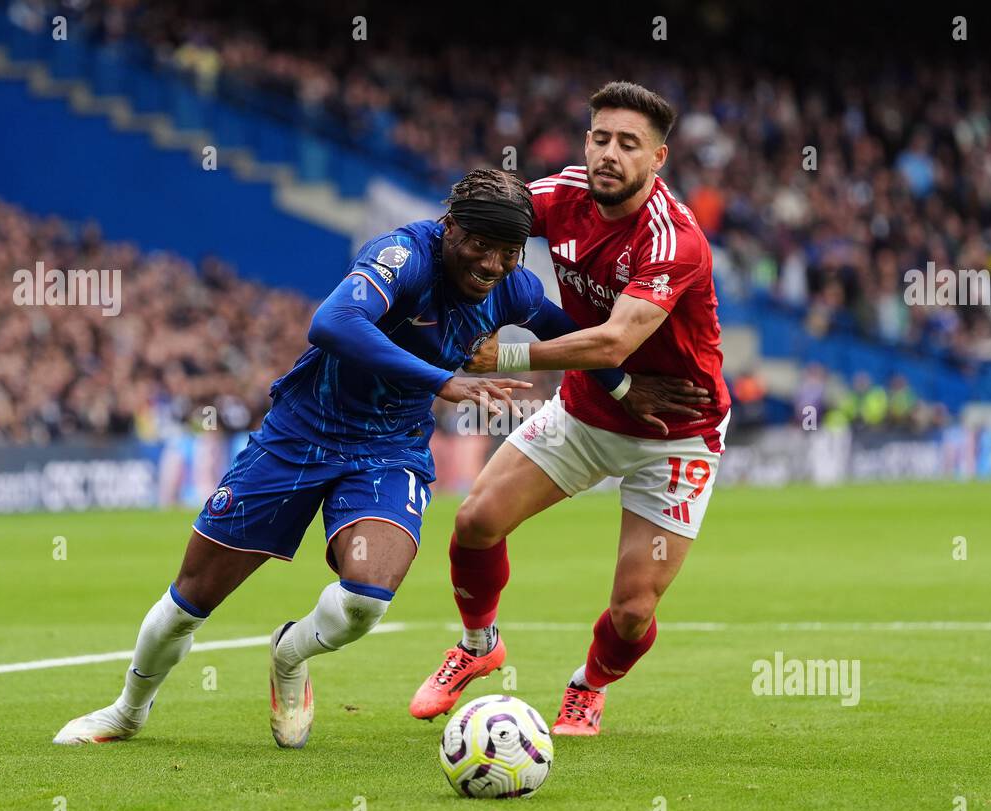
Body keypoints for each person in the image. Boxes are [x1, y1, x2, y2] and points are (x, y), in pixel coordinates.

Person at [53, 168, 706, 747]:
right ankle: (128, 710)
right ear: (450, 227)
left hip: (387, 449)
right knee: (191, 598)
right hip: (300, 432)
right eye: (481, 241)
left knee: (367, 596)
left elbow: (568, 335)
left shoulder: (512, 287)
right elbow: (332, 323)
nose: (493, 261)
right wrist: (440, 379)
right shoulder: (403, 254)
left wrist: (622, 384)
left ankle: (289, 654)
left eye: (509, 249)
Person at [409, 82, 731, 736]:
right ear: (586, 141)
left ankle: (588, 684)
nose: (610, 153)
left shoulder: (675, 239)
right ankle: (477, 647)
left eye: (628, 144)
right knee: (475, 520)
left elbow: (615, 339)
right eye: (600, 138)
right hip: (586, 413)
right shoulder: (561, 196)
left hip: (678, 436)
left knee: (634, 609)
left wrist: (505, 356)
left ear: (658, 158)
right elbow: (478, 226)